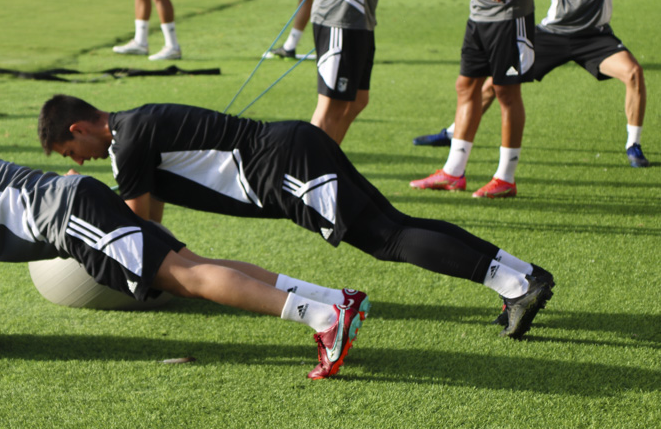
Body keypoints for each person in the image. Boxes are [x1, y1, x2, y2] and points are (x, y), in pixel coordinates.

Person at [0, 124, 370, 380]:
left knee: (187, 279)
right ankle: (336, 299)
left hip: (71, 217)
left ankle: (324, 317)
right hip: (76, 205)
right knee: (194, 266)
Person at [38, 95, 556, 338]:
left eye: (70, 152)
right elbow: (150, 217)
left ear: (81, 128)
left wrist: (86, 207)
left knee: (389, 240)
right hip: (292, 145)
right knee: (394, 224)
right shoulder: (133, 127)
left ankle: (515, 284)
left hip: (285, 166)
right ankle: (521, 274)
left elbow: (137, 226)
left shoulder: (127, 143)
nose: (76, 162)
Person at [412, 0, 661, 169]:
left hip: (595, 37)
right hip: (552, 34)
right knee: (495, 84)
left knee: (634, 73)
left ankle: (633, 145)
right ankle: (452, 132)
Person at [408, 0, 564, 198]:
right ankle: (453, 172)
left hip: (510, 15)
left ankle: (505, 178)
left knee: (506, 93)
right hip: (478, 14)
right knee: (466, 86)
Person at [307, 0, 381, 145]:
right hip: (341, 13)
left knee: (357, 101)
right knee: (331, 105)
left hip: (359, 16)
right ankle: (311, 173)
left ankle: (329, 164)